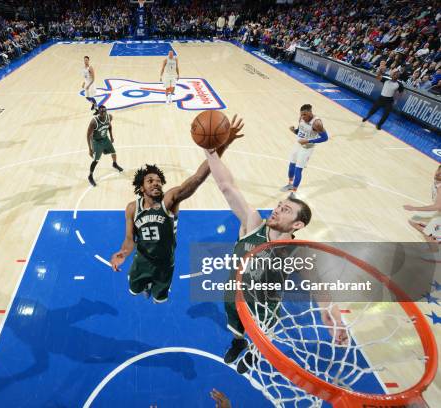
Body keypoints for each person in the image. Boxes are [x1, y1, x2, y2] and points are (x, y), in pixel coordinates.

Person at [204, 139, 347, 369]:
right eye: (279, 205)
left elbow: (321, 289)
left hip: (264, 309)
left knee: (261, 341)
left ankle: (253, 354)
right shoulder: (253, 224)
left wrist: (334, 317)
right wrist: (210, 152)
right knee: (237, 330)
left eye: (286, 210)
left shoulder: (296, 253)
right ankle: (239, 344)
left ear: (298, 224)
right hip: (234, 297)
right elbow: (227, 186)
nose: (277, 209)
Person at [110, 115, 245, 303]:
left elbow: (197, 178)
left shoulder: (170, 200)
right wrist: (123, 252)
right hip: (141, 261)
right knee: (135, 290)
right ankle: (144, 287)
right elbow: (129, 239)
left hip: (165, 263)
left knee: (159, 298)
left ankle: (155, 291)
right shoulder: (132, 208)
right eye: (150, 181)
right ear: (141, 187)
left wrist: (224, 143)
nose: (156, 183)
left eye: (158, 181)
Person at [280, 104, 328, 194]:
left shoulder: (317, 123)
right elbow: (300, 131)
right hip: (298, 144)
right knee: (292, 164)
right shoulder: (301, 118)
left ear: (310, 113)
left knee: (298, 168)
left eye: (305, 114)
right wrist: (294, 131)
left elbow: (325, 138)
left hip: (307, 148)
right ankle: (290, 184)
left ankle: (293, 193)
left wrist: (308, 141)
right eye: (301, 114)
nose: (302, 116)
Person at [404, 164, 441, 246]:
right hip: (437, 212)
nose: (438, 173)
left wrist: (414, 208)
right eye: (438, 170)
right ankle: (437, 236)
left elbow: (438, 206)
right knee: (413, 221)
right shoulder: (437, 182)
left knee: (427, 234)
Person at [87, 105, 123, 186]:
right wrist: (90, 149)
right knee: (96, 160)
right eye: (101, 112)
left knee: (113, 152)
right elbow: (88, 135)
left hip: (105, 138)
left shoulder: (109, 117)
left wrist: (111, 136)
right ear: (98, 112)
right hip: (96, 141)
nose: (103, 113)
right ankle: (90, 175)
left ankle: (114, 164)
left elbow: (109, 126)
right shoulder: (94, 122)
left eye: (104, 111)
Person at [361, 64, 404, 130]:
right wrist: (380, 71)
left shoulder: (399, 84)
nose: (396, 75)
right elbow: (378, 77)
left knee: (386, 114)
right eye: (395, 74)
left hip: (389, 100)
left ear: (398, 76)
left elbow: (401, 93)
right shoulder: (386, 79)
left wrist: (396, 100)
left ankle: (379, 124)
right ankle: (367, 117)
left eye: (398, 75)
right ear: (392, 74)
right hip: (381, 98)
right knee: (373, 109)